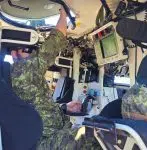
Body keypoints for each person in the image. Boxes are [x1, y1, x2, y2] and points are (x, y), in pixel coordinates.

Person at [11, 4, 100, 150]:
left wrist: (64, 107)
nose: (33, 54)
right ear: (15, 54)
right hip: (43, 141)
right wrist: (63, 14)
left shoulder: (12, 78)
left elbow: (36, 107)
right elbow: (56, 40)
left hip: (49, 135)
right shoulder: (23, 69)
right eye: (29, 50)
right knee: (95, 137)